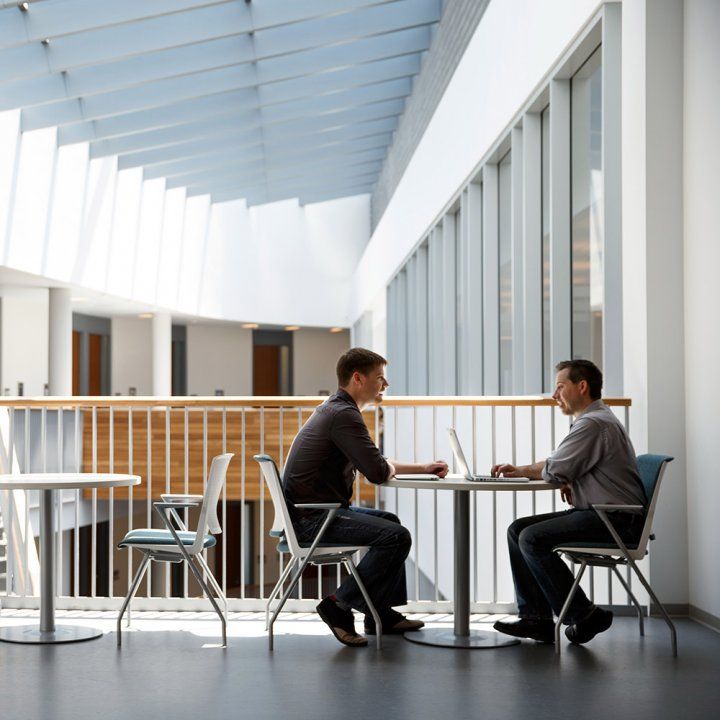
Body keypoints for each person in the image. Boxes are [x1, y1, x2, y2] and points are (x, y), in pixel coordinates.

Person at [282, 347, 449, 647]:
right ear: (358, 378)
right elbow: (377, 471)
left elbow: (376, 462)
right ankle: (338, 605)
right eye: (381, 379)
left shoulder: (337, 409)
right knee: (396, 536)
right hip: (314, 519)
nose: (385, 386)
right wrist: (385, 467)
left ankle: (379, 613)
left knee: (391, 522)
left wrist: (422, 467)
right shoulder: (343, 415)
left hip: (318, 513)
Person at [491, 359, 646, 646]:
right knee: (518, 530)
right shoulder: (597, 419)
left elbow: (556, 468)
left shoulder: (593, 423)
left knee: (532, 538)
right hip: (607, 515)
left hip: (614, 520)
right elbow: (561, 467)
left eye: (560, 387)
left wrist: (525, 470)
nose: (554, 395)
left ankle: (584, 615)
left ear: (582, 386)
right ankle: (536, 619)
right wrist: (567, 477)